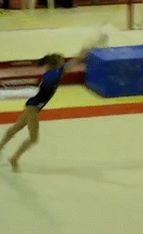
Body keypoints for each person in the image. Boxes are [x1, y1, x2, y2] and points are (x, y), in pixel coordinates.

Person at [0, 33, 108, 172]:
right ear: (56, 65)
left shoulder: (52, 73)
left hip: (32, 105)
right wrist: (93, 45)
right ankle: (14, 158)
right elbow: (77, 60)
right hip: (34, 107)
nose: (64, 63)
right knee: (33, 139)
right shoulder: (54, 74)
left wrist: (88, 49)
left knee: (16, 128)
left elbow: (76, 60)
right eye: (62, 61)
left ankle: (2, 146)